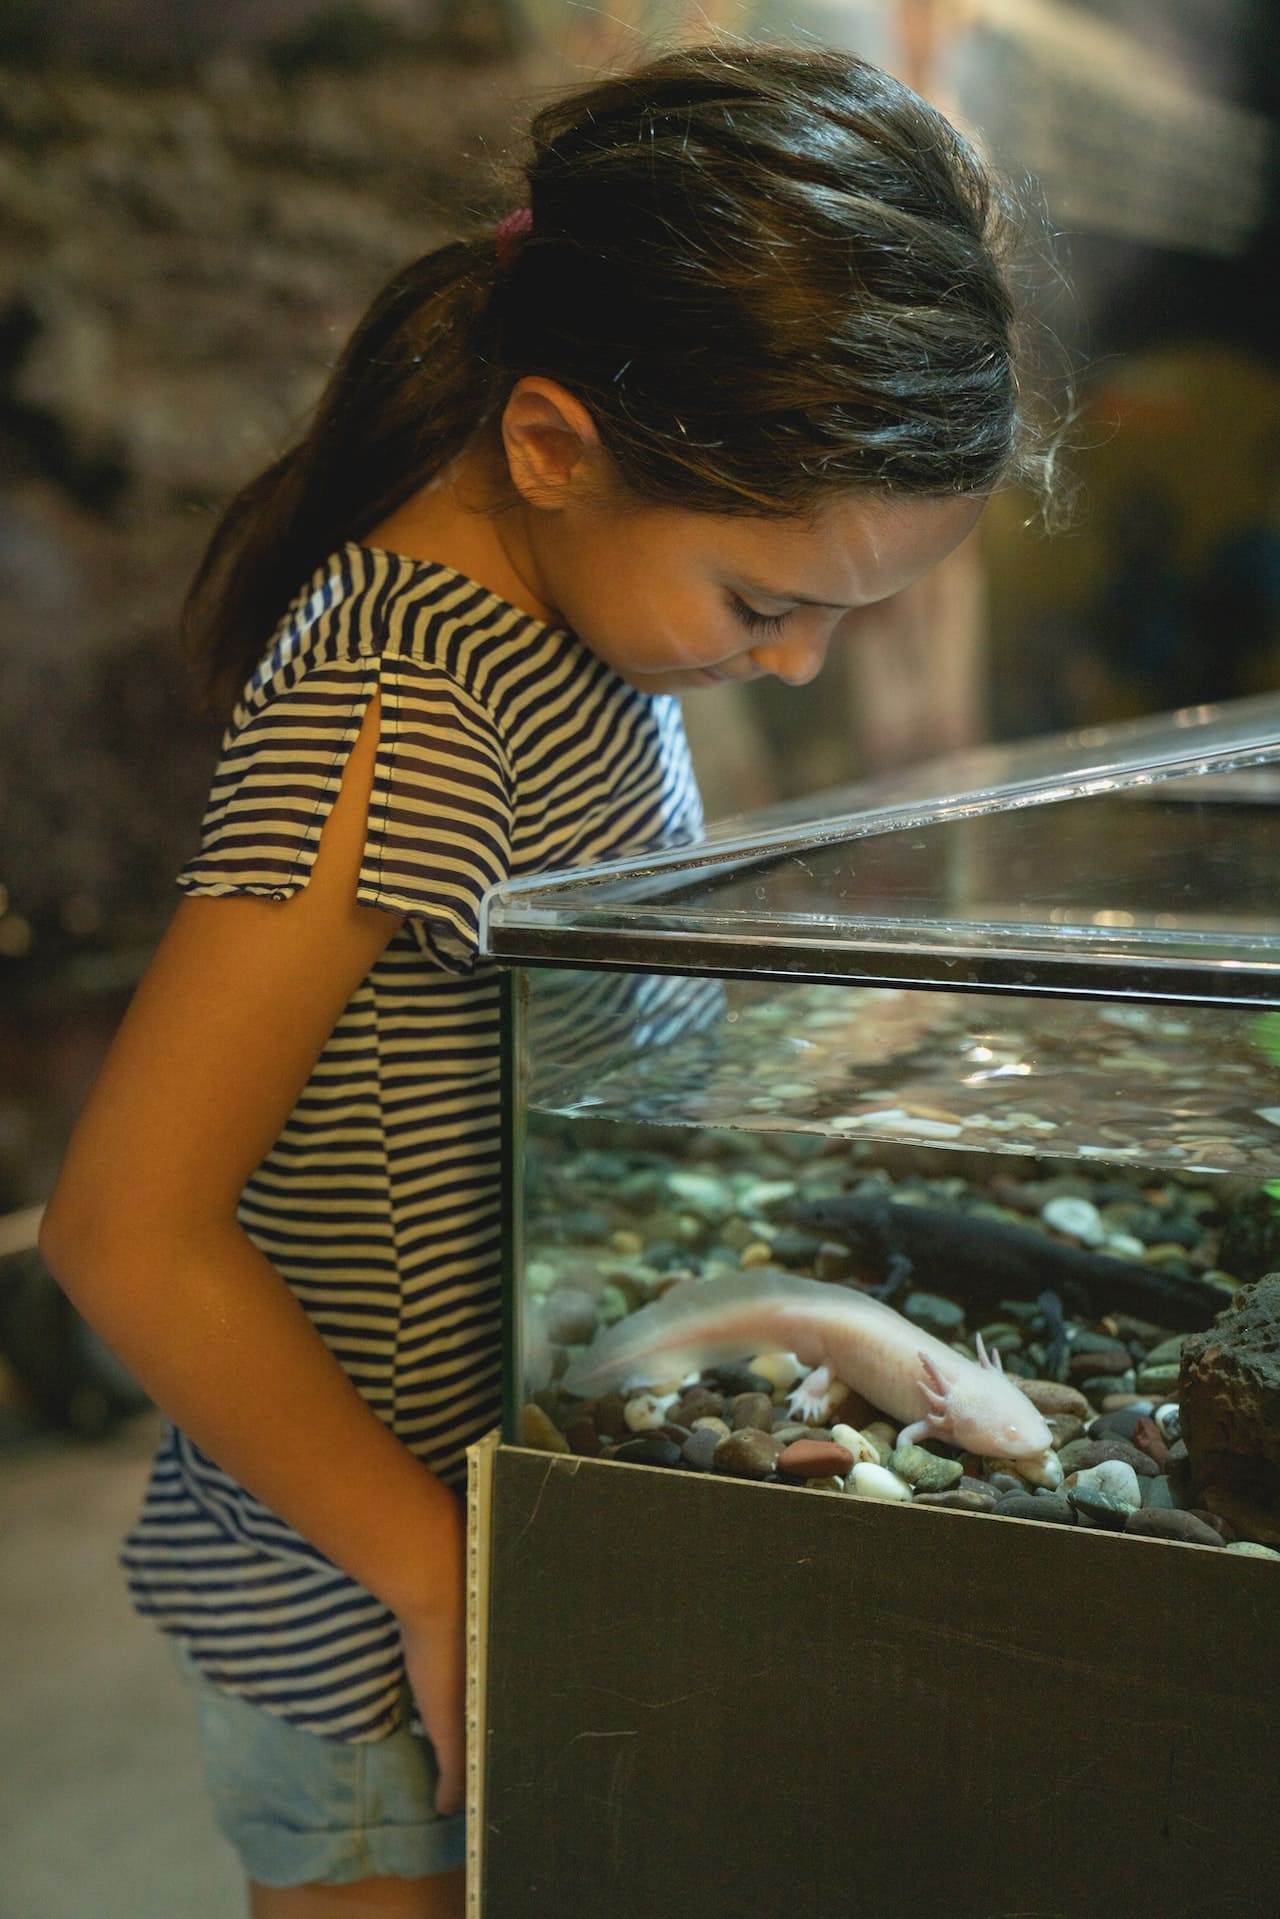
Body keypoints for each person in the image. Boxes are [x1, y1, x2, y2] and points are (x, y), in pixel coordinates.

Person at [40, 41, 1054, 1919]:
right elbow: (126, 1229)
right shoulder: (402, 696)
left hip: (505, 1519)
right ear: (549, 446)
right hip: (361, 1595)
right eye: (770, 605)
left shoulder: (585, 633)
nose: (803, 670)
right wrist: (435, 1574)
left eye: (850, 614)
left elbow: (558, 1103)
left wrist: (786, 1311)